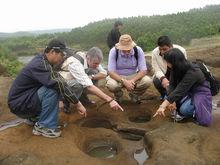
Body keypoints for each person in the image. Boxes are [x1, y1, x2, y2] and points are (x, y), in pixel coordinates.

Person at [7, 39, 87, 138]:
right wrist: (78, 104)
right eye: (62, 55)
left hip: (23, 101)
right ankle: (44, 127)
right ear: (53, 51)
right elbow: (58, 84)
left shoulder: (42, 60)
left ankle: (34, 118)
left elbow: (59, 79)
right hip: (20, 105)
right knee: (52, 89)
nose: (63, 58)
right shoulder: (41, 65)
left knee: (61, 85)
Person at [153, 48, 212, 126]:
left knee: (184, 110)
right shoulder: (175, 68)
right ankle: (184, 105)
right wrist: (172, 102)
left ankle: (197, 110)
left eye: (167, 62)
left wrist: (162, 106)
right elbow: (172, 85)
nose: (167, 64)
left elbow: (179, 90)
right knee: (168, 99)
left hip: (199, 91)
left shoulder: (193, 71)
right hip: (187, 91)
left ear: (174, 62)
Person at [58, 47, 123, 113]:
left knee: (94, 72)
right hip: (63, 84)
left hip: (76, 79)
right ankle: (65, 101)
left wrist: (92, 77)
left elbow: (104, 73)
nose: (97, 65)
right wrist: (110, 100)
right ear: (88, 58)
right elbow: (88, 85)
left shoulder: (92, 59)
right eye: (95, 63)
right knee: (79, 84)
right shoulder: (75, 63)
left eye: (98, 63)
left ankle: (83, 98)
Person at [106, 34, 152, 104]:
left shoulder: (138, 50)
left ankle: (134, 95)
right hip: (118, 76)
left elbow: (143, 70)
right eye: (124, 50)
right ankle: (118, 96)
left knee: (147, 81)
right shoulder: (114, 51)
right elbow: (111, 72)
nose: (127, 52)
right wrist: (124, 81)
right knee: (111, 85)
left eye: (128, 49)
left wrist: (132, 81)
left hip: (133, 75)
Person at [152, 35, 187, 100]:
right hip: (165, 74)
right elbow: (156, 69)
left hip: (177, 74)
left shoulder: (181, 51)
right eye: (160, 49)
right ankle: (164, 94)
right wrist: (163, 78)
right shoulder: (155, 52)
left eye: (164, 49)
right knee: (156, 80)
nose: (162, 52)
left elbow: (183, 67)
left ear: (171, 46)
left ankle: (178, 95)